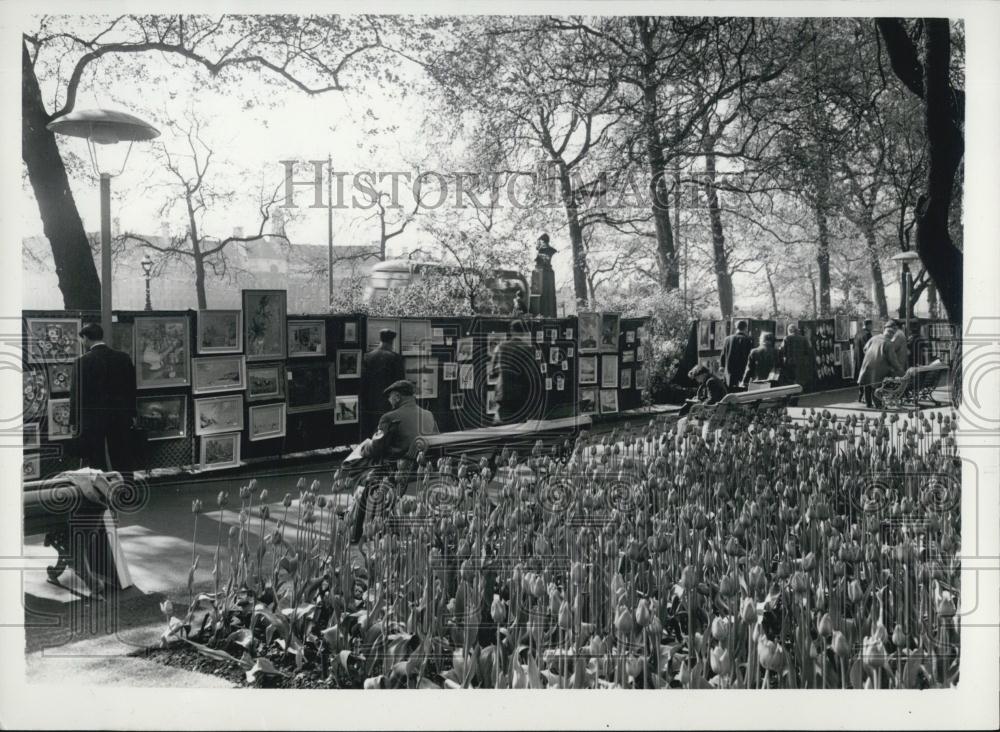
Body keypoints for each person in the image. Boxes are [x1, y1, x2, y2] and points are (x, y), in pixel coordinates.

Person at [349, 380, 439, 543]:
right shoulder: (428, 415)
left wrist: (363, 448)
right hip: (420, 469)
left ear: (397, 397)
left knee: (363, 479)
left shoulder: (389, 417)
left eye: (390, 397)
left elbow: (376, 448)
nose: (389, 401)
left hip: (393, 471)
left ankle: (356, 534)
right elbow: (435, 443)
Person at [69, 322, 137, 473]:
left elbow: (76, 395)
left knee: (95, 458)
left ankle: (102, 491)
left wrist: (74, 421)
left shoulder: (81, 362)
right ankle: (126, 490)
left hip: (93, 419)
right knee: (122, 457)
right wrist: (133, 414)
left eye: (82, 339)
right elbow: (131, 389)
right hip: (120, 416)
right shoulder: (123, 358)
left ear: (85, 338)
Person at [488, 320, 542, 425]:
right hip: (521, 396)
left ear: (511, 331)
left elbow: (492, 370)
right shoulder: (528, 349)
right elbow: (533, 374)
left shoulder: (501, 347)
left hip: (503, 394)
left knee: (504, 428)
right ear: (523, 332)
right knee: (519, 428)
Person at [360, 328, 405, 438]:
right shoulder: (396, 358)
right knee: (387, 434)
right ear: (392, 341)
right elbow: (400, 384)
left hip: (370, 402)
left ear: (380, 339)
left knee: (372, 432)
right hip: (389, 403)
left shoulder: (367, 357)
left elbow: (363, 382)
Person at [857, 322, 904, 408]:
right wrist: (900, 369)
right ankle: (878, 405)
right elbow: (892, 360)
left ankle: (868, 403)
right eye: (892, 334)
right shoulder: (888, 343)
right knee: (876, 385)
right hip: (878, 367)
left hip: (867, 364)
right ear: (891, 334)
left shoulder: (874, 338)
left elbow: (865, 349)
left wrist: (870, 356)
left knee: (867, 384)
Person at [779, 323, 815, 390]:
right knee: (799, 378)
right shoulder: (804, 338)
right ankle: (798, 391)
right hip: (801, 362)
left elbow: (782, 351)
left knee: (790, 379)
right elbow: (808, 351)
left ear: (789, 330)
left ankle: (792, 393)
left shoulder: (787, 338)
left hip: (790, 362)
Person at [720, 320, 753, 391]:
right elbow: (749, 356)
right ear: (746, 328)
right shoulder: (748, 340)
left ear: (736, 327)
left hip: (729, 371)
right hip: (742, 371)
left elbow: (723, 354)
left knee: (729, 391)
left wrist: (722, 366)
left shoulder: (727, 339)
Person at [853, 319, 873, 402]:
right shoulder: (868, 335)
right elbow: (869, 348)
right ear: (868, 325)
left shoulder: (857, 334)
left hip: (857, 359)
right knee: (866, 378)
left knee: (860, 377)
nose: (872, 327)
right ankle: (866, 397)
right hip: (865, 359)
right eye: (871, 325)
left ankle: (860, 395)